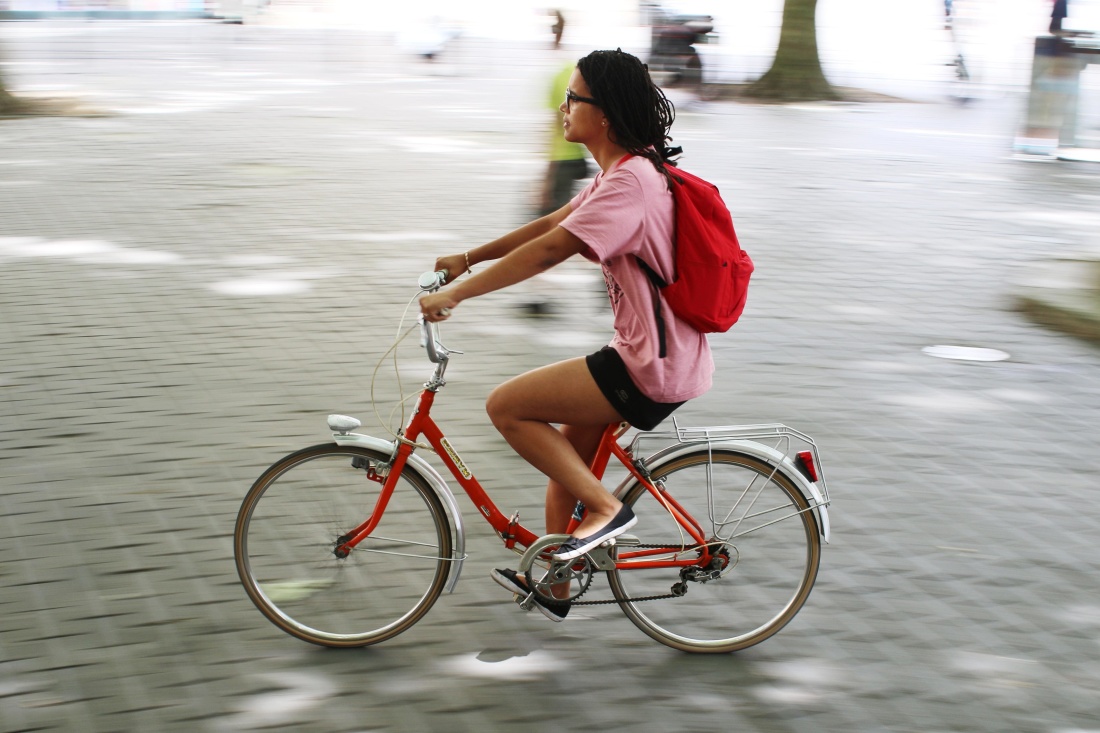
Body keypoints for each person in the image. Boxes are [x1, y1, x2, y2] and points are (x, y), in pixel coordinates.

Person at [419, 49, 714, 622]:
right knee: (564, 468)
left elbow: (554, 250)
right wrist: (467, 259)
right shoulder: (623, 173)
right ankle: (557, 580)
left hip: (648, 365)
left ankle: (607, 509)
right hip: (655, 354)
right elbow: (552, 224)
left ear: (602, 114)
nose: (563, 106)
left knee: (508, 406)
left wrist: (459, 294)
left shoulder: (630, 184)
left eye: (574, 97)